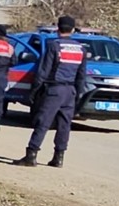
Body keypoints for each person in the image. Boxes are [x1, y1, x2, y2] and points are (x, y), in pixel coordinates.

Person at [14, 15, 88, 168]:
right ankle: (58, 157)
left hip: (55, 89)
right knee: (64, 125)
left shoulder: (54, 46)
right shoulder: (81, 49)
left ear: (57, 29)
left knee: (43, 122)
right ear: (73, 30)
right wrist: (78, 94)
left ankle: (31, 154)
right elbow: (81, 75)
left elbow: (44, 70)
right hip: (70, 91)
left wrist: (35, 90)